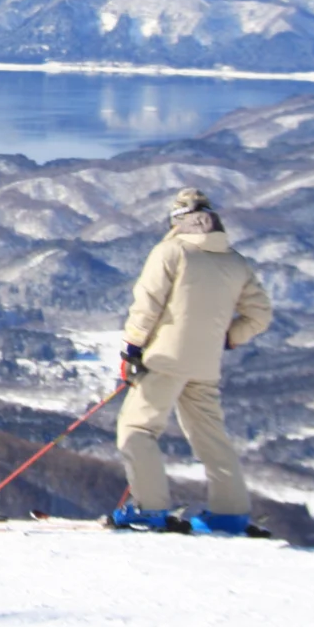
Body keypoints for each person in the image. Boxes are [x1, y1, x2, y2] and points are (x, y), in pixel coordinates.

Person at [113, 188, 273, 535]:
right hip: (206, 362)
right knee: (210, 436)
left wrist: (132, 347)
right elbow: (260, 314)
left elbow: (148, 304)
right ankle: (230, 513)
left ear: (176, 221)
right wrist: (229, 337)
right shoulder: (234, 260)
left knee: (137, 429)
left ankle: (150, 508)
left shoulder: (171, 252)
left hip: (165, 357)